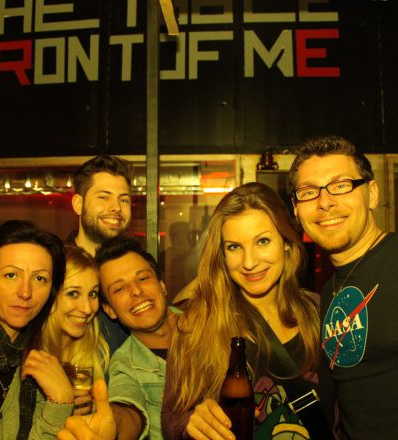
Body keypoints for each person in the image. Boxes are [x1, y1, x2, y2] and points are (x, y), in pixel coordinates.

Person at [162, 182, 332, 440]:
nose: (249, 262)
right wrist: (191, 423)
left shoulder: (321, 312)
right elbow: (171, 419)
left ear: (286, 243)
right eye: (234, 247)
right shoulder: (197, 326)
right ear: (221, 254)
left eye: (262, 241)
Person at [289, 135, 398, 439]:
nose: (325, 202)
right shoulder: (327, 293)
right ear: (296, 209)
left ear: (372, 194)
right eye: (309, 192)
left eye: (340, 185)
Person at [0, 220, 74, 440]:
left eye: (39, 278)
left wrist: (61, 399)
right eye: (11, 275)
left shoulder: (38, 357)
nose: (25, 292)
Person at [97, 236, 179, 439]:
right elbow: (127, 409)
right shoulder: (124, 366)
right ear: (109, 310)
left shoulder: (210, 325)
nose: (136, 291)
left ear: (162, 285)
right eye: (119, 289)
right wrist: (112, 428)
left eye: (142, 278)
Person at [69, 155, 134, 354]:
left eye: (123, 199)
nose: (116, 207)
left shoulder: (136, 267)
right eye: (104, 197)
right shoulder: (56, 267)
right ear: (78, 204)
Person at [36, 246, 110, 415]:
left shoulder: (99, 353)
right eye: (73, 293)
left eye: (92, 294)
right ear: (50, 295)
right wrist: (60, 409)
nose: (87, 309)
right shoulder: (28, 356)